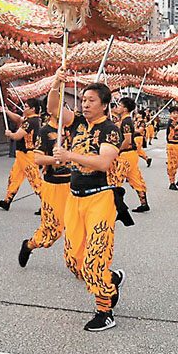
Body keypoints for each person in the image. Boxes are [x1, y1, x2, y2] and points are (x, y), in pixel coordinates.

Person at [52, 80, 127, 332]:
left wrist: (69, 156)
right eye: (83, 100)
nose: (85, 104)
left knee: (94, 260)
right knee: (74, 260)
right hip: (75, 198)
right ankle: (111, 279)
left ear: (104, 105)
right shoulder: (77, 124)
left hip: (101, 199)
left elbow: (104, 162)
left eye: (91, 100)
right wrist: (56, 83)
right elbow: (53, 108)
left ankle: (105, 311)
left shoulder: (111, 130)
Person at [18, 90, 83, 267]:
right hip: (53, 186)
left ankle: (78, 264)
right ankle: (30, 244)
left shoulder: (75, 127)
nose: (62, 109)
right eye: (57, 105)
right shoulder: (45, 131)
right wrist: (58, 159)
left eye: (64, 105)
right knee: (52, 231)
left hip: (74, 185)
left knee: (76, 227)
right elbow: (38, 158)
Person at [0, 99, 43, 211]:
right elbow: (19, 119)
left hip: (28, 155)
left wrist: (10, 134)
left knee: (35, 180)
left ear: (32, 109)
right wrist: (7, 111)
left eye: (26, 106)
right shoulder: (32, 119)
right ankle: (7, 201)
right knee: (14, 177)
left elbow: (17, 136)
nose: (24, 108)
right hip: (22, 155)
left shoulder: (30, 122)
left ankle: (46, 203)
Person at [113, 97, 150, 212]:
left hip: (126, 155)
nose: (117, 107)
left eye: (119, 105)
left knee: (116, 179)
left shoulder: (126, 121)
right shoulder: (125, 120)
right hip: (131, 155)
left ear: (125, 108)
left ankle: (115, 206)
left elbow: (127, 140)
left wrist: (116, 150)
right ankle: (144, 204)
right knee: (135, 179)